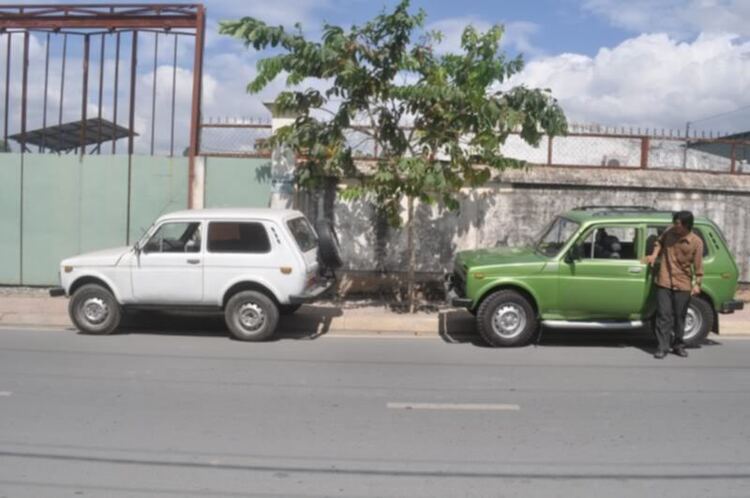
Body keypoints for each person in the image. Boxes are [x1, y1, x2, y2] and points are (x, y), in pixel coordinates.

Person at [645, 211, 704, 359]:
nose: (675, 226)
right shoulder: (669, 232)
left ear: (686, 225)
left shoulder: (696, 242)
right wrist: (654, 255)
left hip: (683, 283)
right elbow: (659, 242)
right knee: (663, 316)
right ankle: (662, 347)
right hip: (664, 280)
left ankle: (678, 345)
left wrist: (697, 283)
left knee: (680, 317)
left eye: (677, 224)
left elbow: (698, 265)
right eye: (674, 223)